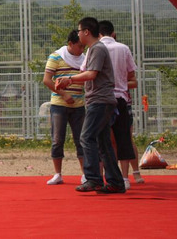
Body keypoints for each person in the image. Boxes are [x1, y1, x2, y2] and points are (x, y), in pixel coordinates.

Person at [56, 17, 124, 194]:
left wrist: (69, 79)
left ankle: (93, 179)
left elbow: (91, 74)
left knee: (86, 138)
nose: (78, 34)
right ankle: (115, 182)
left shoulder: (97, 48)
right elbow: (89, 75)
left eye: (79, 31)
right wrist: (68, 81)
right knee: (103, 142)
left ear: (86, 32)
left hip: (100, 101)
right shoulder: (94, 49)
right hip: (101, 100)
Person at [98, 20, 142, 189]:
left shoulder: (95, 49)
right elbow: (132, 76)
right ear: (113, 33)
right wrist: (121, 83)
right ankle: (124, 177)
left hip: (103, 99)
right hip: (121, 99)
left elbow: (87, 72)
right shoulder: (123, 48)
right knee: (124, 139)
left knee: (106, 140)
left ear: (97, 34)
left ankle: (107, 177)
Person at [42, 30, 86, 185]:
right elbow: (47, 80)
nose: (82, 50)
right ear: (70, 44)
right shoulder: (56, 56)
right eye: (79, 46)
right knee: (57, 139)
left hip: (79, 105)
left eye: (83, 46)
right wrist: (64, 94)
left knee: (81, 140)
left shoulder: (85, 59)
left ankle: (85, 174)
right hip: (59, 105)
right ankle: (57, 174)